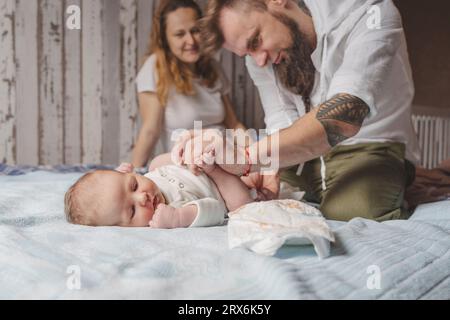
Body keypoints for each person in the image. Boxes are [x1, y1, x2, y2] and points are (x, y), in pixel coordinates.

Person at [180, 0, 420, 222]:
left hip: (370, 146)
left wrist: (246, 159)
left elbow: (344, 117)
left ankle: (403, 178)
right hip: (306, 158)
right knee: (256, 199)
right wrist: (270, 169)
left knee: (347, 213)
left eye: (255, 41)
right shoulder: (259, 58)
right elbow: (280, 121)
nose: (258, 61)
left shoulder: (370, 13)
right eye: (247, 53)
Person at [132, 0, 245, 168]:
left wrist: (252, 156)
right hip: (190, 165)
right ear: (165, 39)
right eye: (179, 34)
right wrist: (132, 173)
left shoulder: (213, 68)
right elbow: (150, 131)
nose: (191, 41)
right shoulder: (155, 68)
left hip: (226, 156)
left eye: (195, 31)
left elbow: (233, 125)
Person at [64, 152, 256, 228]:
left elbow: (115, 189)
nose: (142, 197)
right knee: (242, 207)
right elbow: (214, 209)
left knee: (155, 162)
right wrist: (180, 217)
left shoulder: (149, 177)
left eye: (133, 185)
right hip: (223, 185)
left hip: (208, 162)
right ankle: (248, 180)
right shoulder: (168, 212)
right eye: (132, 210)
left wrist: (120, 177)